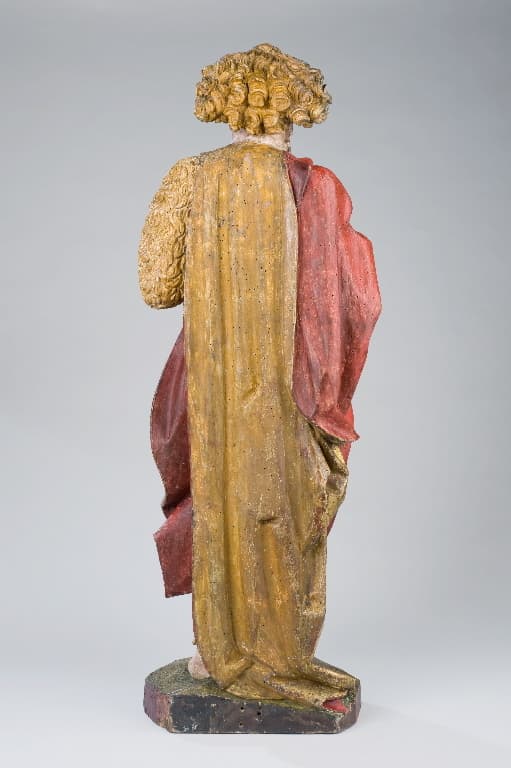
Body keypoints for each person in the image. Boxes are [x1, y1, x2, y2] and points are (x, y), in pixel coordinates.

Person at [138, 43, 381, 710]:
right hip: (297, 393)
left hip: (214, 383)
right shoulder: (318, 188)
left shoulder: (190, 177)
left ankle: (222, 651)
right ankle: (278, 653)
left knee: (221, 498)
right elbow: (358, 302)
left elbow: (157, 287)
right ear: (297, 107)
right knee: (284, 510)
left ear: (223, 105)